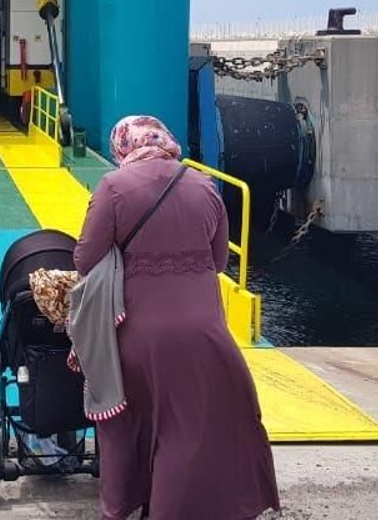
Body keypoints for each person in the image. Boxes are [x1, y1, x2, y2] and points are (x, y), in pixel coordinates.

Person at [72, 116, 279, 520]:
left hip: (137, 333)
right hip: (205, 332)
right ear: (165, 140)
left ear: (122, 146)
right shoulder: (204, 185)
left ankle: (120, 507)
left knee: (126, 422)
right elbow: (218, 261)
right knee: (192, 425)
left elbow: (85, 259)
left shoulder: (114, 188)